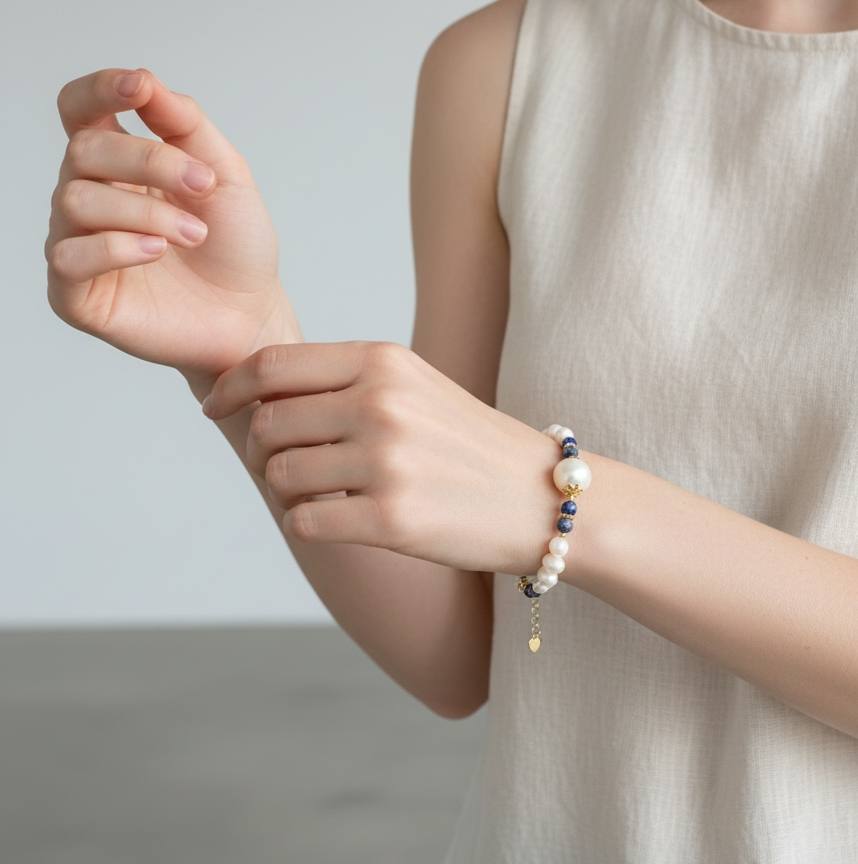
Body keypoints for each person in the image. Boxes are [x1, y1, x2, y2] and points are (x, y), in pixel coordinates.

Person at [45, 0, 858, 860]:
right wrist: (245, 349)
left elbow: (528, 511)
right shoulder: (503, 63)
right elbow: (460, 654)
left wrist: (562, 504)